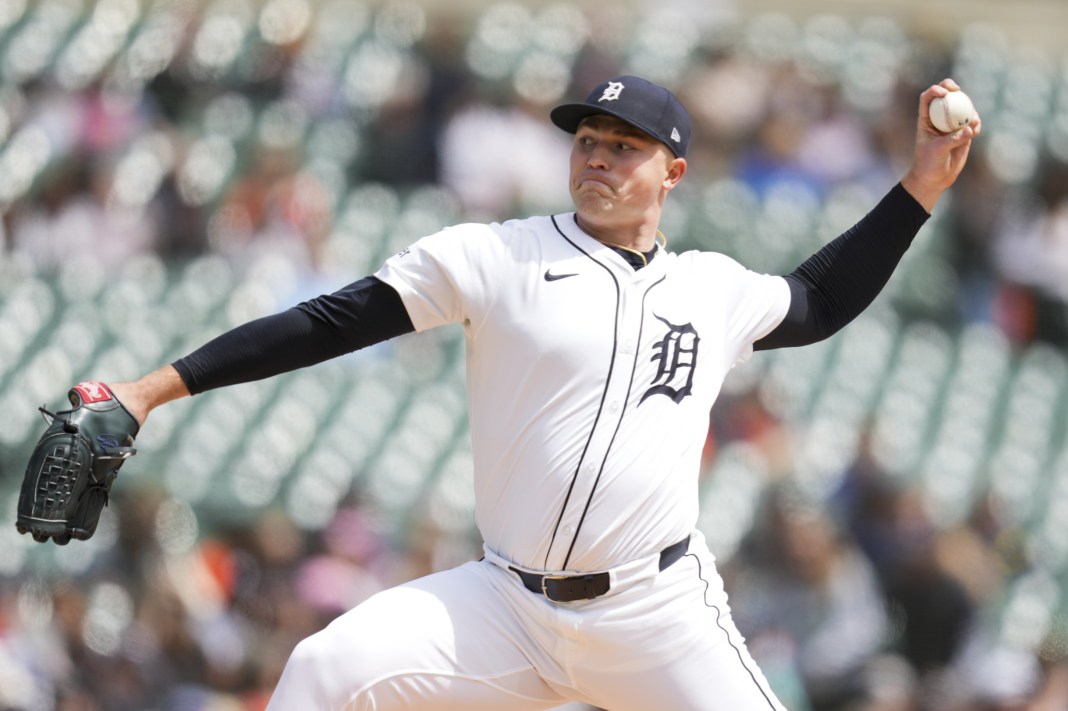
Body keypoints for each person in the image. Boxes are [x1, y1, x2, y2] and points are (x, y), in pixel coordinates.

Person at [99, 75, 979, 709]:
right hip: (508, 604)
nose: (597, 156)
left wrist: (920, 188)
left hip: (656, 611)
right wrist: (152, 388)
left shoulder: (711, 288)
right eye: (587, 140)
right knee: (326, 669)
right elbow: (330, 320)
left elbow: (818, 299)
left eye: (623, 145)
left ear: (672, 172)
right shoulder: (499, 256)